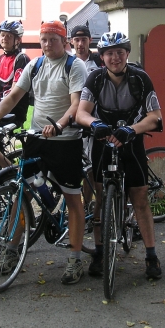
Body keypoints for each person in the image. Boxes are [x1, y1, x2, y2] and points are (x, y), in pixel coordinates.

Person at [0, 20, 88, 284]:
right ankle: (11, 250)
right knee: (22, 193)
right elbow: (13, 96)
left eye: (53, 39)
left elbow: (76, 104)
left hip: (65, 139)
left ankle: (75, 258)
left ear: (64, 42)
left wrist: (59, 125)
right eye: (44, 40)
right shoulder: (35, 65)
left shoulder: (74, 65)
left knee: (73, 198)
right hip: (37, 137)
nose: (48, 44)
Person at [76, 31, 163, 280]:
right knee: (101, 197)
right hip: (103, 143)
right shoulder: (95, 78)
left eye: (119, 52)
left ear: (127, 54)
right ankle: (99, 252)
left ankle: (151, 256)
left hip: (131, 143)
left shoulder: (140, 78)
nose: (115, 58)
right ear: (102, 57)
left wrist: (132, 129)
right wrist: (94, 124)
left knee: (140, 197)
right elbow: (81, 113)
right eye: (109, 54)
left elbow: (155, 116)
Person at [0, 20, 30, 167]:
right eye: (2, 35)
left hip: (13, 113)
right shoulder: (1, 59)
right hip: (1, 111)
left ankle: (10, 171)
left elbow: (15, 91)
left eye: (9, 36)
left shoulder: (21, 59)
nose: (4, 38)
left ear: (18, 40)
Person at [69, 25, 103, 207]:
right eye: (77, 40)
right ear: (71, 42)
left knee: (92, 166)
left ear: (90, 40)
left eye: (84, 40)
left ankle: (90, 204)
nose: (80, 44)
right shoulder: (70, 62)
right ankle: (84, 205)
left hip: (95, 119)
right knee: (80, 165)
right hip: (74, 119)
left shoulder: (99, 60)